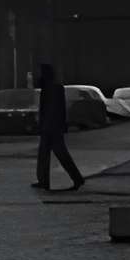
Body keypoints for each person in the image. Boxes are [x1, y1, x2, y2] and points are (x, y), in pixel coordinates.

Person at [33, 60, 86, 193]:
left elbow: (53, 111)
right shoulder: (51, 88)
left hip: (51, 128)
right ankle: (44, 181)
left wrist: (46, 127)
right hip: (51, 127)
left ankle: (76, 179)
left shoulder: (52, 89)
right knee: (47, 154)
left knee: (58, 154)